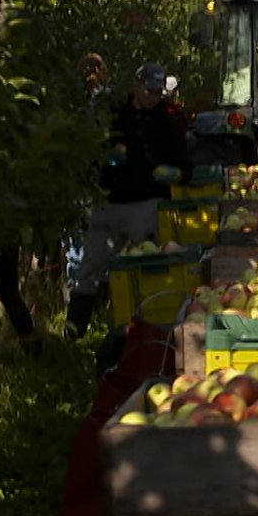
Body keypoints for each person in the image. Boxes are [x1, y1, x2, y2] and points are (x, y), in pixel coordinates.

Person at [64, 61, 190, 337]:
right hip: (110, 202)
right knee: (90, 267)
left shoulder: (167, 122)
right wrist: (106, 157)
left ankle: (150, 329)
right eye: (149, 91)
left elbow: (185, 164)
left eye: (158, 92)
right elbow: (93, 145)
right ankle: (75, 330)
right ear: (137, 87)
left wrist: (174, 173)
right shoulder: (115, 115)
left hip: (146, 204)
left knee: (148, 268)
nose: (154, 97)